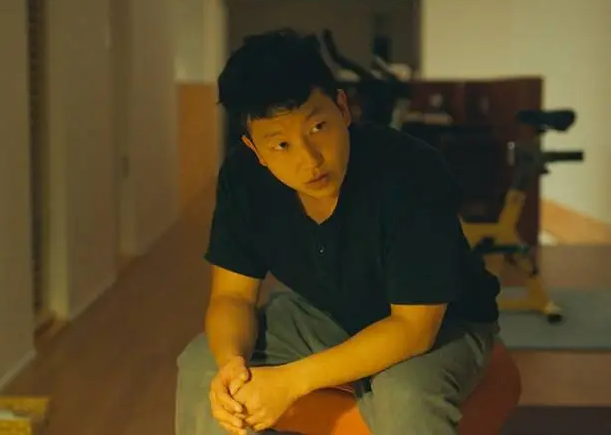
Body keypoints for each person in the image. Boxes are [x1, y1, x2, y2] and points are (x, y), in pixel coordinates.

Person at [175, 29, 501, 435]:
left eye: (318, 127)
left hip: (444, 323)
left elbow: (414, 329)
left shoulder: (411, 172)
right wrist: (232, 365)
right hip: (328, 314)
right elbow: (232, 296)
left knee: (404, 395)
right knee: (203, 366)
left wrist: (291, 381)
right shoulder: (243, 178)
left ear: (343, 108)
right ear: (255, 149)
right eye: (280, 145)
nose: (310, 160)